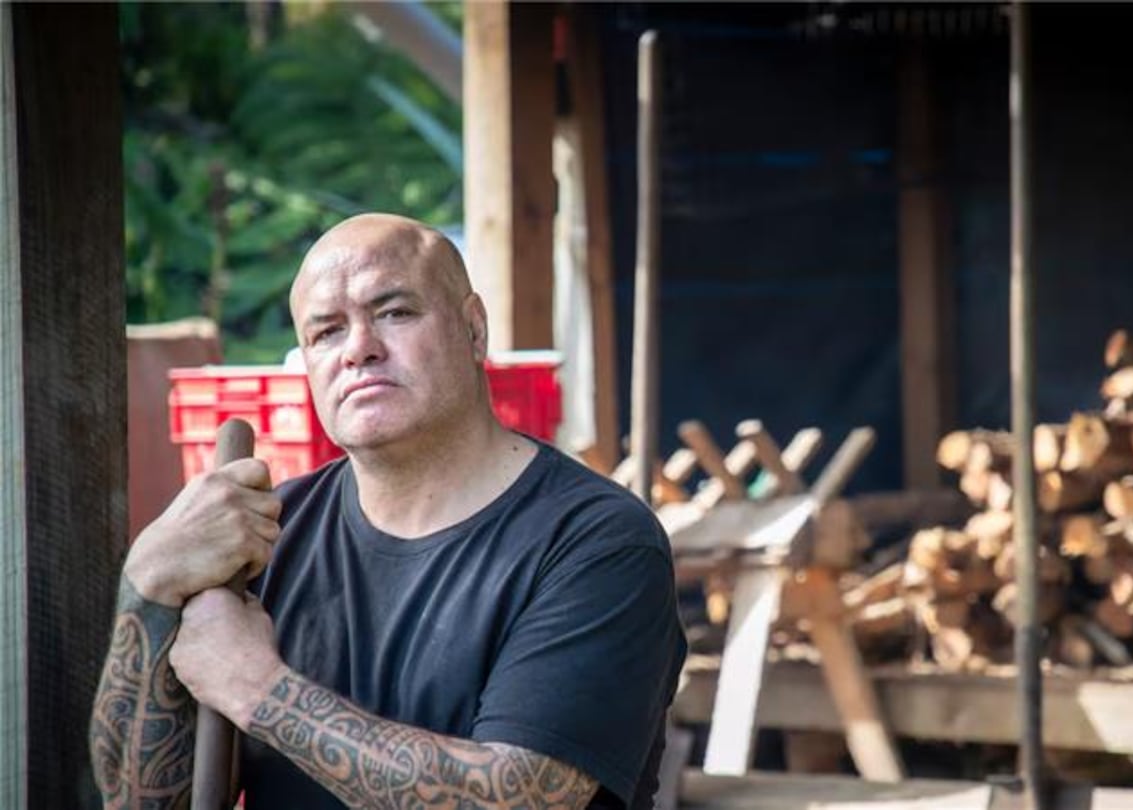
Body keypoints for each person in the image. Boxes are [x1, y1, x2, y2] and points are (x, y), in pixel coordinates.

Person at [89, 213, 687, 809]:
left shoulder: (596, 541)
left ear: (474, 330)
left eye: (395, 313)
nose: (359, 350)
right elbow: (140, 802)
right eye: (326, 332)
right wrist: (148, 582)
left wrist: (257, 690)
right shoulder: (267, 533)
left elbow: (517, 799)